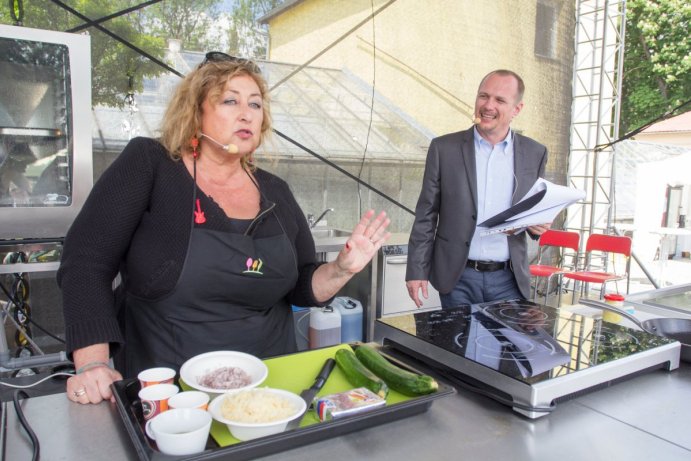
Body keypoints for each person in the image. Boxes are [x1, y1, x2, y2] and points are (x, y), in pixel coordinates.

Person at [58, 52, 391, 404]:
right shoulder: (151, 165)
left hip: (272, 387)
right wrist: (92, 363)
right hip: (172, 393)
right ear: (195, 111)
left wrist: (341, 270)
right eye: (230, 100)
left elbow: (301, 287)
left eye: (256, 104)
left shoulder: (275, 190)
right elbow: (86, 262)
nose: (246, 113)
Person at [406, 69, 550, 308]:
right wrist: (416, 269)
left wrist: (538, 226)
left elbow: (536, 212)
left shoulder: (535, 153)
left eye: (500, 100)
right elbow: (426, 215)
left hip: (510, 279)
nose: (488, 105)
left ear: (517, 109)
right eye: (483, 96)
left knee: (506, 345)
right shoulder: (444, 149)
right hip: (458, 278)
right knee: (456, 345)